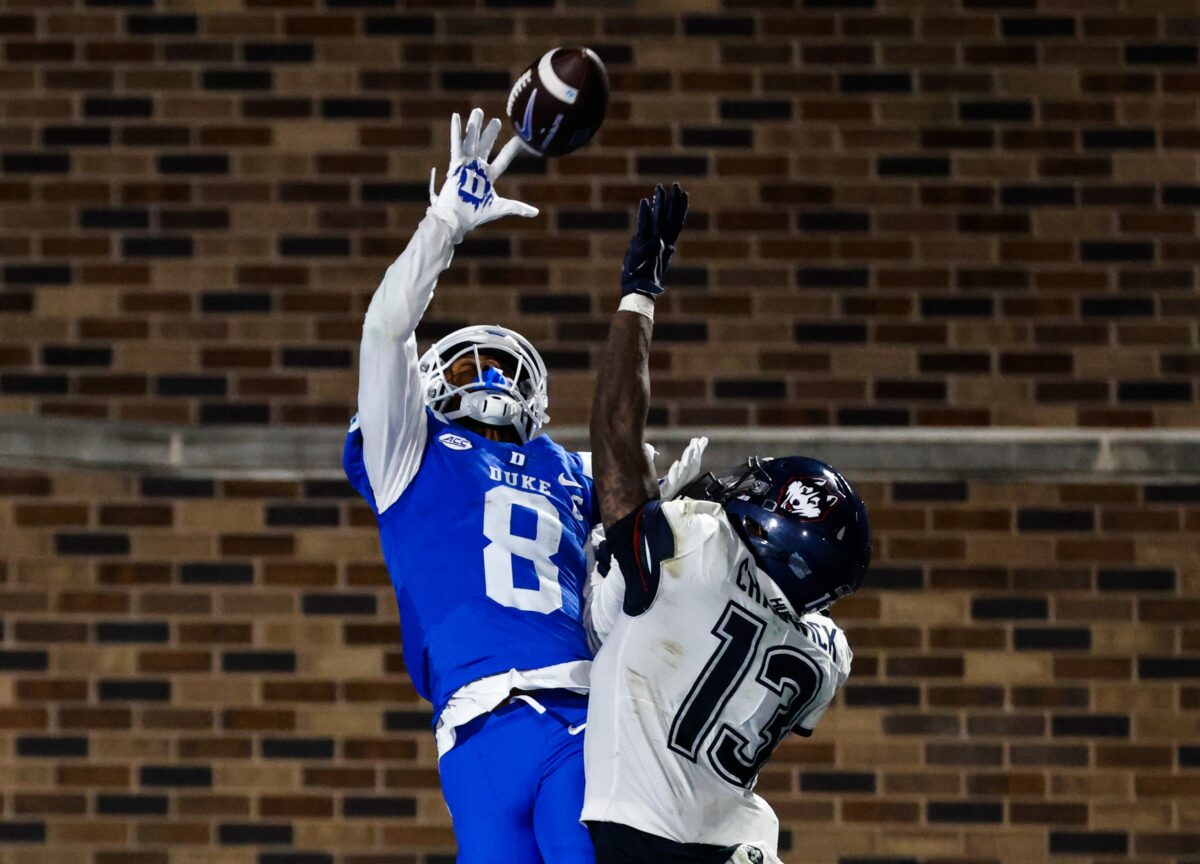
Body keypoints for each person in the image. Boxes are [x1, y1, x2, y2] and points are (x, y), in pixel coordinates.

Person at [342, 108, 704, 864]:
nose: (495, 378)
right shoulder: (412, 450)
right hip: (471, 737)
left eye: (507, 370)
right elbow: (385, 331)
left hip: (573, 715)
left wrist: (654, 528)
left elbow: (623, 589)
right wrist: (442, 226)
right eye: (477, 366)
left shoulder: (571, 470)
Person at [582, 183, 872, 864]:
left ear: (780, 531)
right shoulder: (824, 656)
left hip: (646, 842)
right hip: (741, 847)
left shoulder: (694, 550)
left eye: (761, 492)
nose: (740, 490)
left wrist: (638, 294)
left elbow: (617, 441)